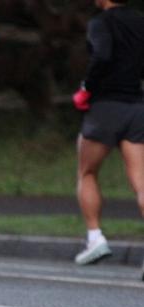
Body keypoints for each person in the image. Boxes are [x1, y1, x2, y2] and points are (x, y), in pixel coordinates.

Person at [71, 0, 144, 278]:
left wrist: (86, 87)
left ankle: (95, 237)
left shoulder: (100, 22)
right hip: (136, 108)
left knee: (87, 172)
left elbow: (101, 55)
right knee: (141, 182)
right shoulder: (140, 21)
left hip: (105, 109)